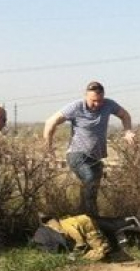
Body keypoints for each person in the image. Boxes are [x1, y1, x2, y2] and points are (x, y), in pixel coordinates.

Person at [43, 81, 133, 217]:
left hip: (96, 157)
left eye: (100, 100)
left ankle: (82, 217)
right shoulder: (76, 107)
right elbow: (50, 122)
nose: (97, 104)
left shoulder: (109, 104)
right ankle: (92, 218)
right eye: (93, 101)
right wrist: (48, 148)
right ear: (85, 96)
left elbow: (125, 115)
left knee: (92, 188)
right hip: (77, 154)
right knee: (90, 179)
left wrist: (127, 131)